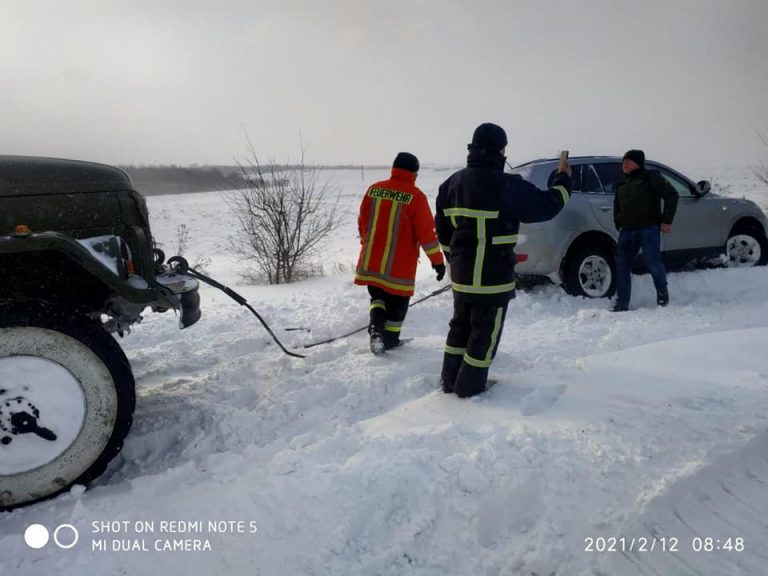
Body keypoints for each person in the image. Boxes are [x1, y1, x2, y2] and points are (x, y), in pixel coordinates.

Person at [436, 123, 571, 398]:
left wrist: (455, 259)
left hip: (462, 278)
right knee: (484, 336)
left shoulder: (451, 183)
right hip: (493, 277)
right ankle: (470, 389)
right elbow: (547, 206)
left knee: (459, 328)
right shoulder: (507, 185)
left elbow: (443, 230)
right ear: (500, 150)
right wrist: (563, 182)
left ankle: (449, 381)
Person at [355, 152, 445, 354]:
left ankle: (376, 329)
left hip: (372, 261)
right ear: (414, 173)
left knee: (377, 297)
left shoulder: (374, 190)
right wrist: (437, 261)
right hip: (399, 266)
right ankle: (390, 340)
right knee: (397, 305)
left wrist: (366, 242)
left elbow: (363, 221)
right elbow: (426, 233)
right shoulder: (416, 196)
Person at [612, 149, 678, 312]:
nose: (624, 164)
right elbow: (617, 203)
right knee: (622, 267)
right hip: (627, 231)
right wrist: (618, 221)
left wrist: (666, 221)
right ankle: (622, 303)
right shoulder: (622, 181)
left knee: (653, 263)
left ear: (638, 163)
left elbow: (672, 195)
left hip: (648, 229)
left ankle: (663, 296)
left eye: (628, 161)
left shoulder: (651, 177)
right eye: (623, 161)